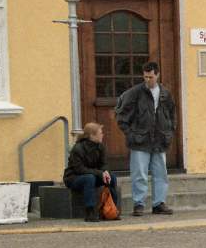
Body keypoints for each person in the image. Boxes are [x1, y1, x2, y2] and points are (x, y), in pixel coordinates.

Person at [115, 61, 176, 217]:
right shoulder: (134, 93)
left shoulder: (165, 94)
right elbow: (121, 114)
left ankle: (159, 203)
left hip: (160, 139)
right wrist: (130, 133)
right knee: (139, 173)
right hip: (139, 140)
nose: (148, 80)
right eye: (145, 77)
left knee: (161, 173)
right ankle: (139, 203)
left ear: (157, 75)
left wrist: (169, 132)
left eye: (150, 77)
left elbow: (172, 114)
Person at [62, 122, 118, 223]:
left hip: (92, 175)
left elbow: (104, 163)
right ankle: (90, 212)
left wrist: (105, 172)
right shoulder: (78, 148)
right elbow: (79, 169)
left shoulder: (100, 146)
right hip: (74, 178)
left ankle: (112, 210)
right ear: (92, 135)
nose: (102, 135)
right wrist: (99, 173)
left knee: (112, 178)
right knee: (89, 178)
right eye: (100, 133)